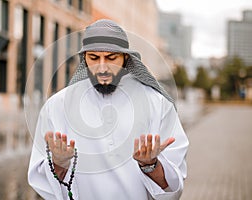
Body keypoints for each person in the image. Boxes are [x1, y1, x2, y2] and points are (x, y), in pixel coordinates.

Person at [28, 19, 189, 200]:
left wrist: (150, 165)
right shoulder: (57, 106)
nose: (102, 67)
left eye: (111, 58)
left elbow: (174, 187)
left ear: (125, 58)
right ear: (84, 59)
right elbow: (41, 182)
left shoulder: (156, 103)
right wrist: (58, 163)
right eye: (94, 58)